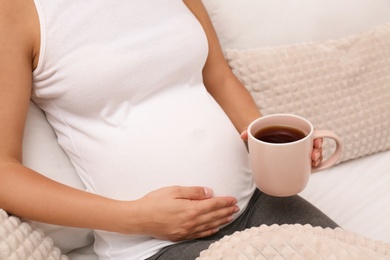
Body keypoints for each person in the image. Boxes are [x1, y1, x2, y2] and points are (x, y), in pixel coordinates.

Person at [0, 0, 334, 259]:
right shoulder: (18, 12)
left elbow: (218, 78)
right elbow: (4, 171)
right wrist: (135, 217)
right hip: (155, 246)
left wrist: (274, 151)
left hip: (255, 202)